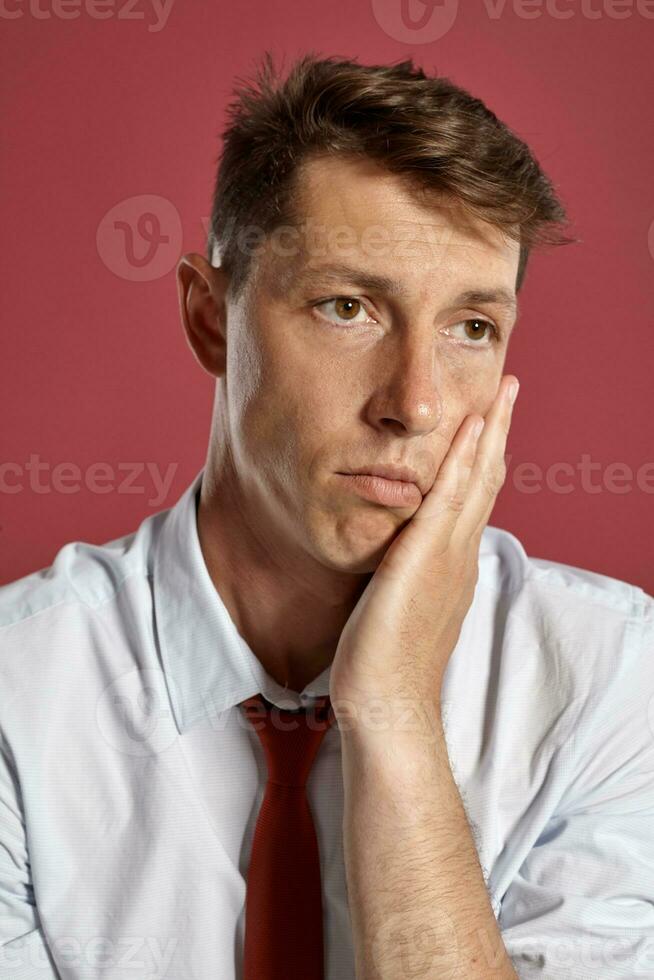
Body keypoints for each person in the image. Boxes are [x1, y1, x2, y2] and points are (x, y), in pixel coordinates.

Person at [1, 51, 652, 980]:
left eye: (473, 328)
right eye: (349, 308)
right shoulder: (17, 701)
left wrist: (392, 712)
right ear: (209, 318)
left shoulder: (612, 677)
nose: (416, 404)